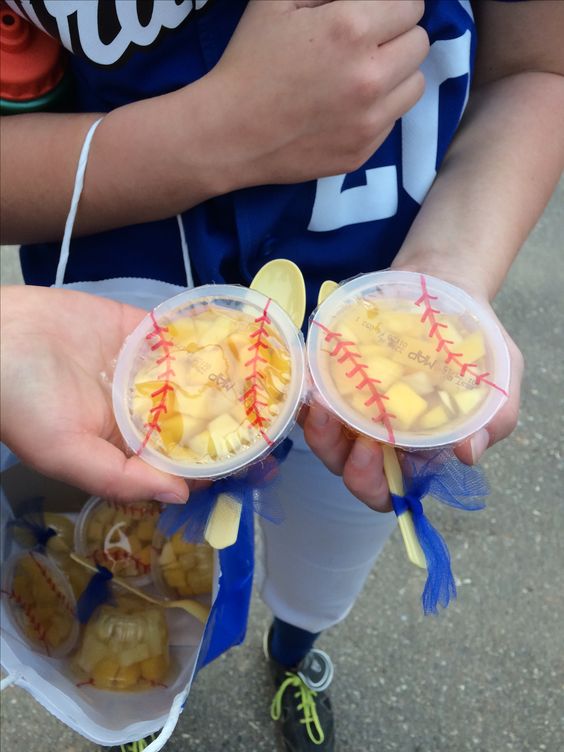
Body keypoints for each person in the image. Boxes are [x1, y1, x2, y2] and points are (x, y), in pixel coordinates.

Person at [1, 1, 563, 750]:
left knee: (326, 567)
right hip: (124, 357)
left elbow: (535, 65)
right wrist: (213, 133)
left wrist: (448, 270)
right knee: (152, 583)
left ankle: (295, 654)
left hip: (368, 337)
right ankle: (154, 702)